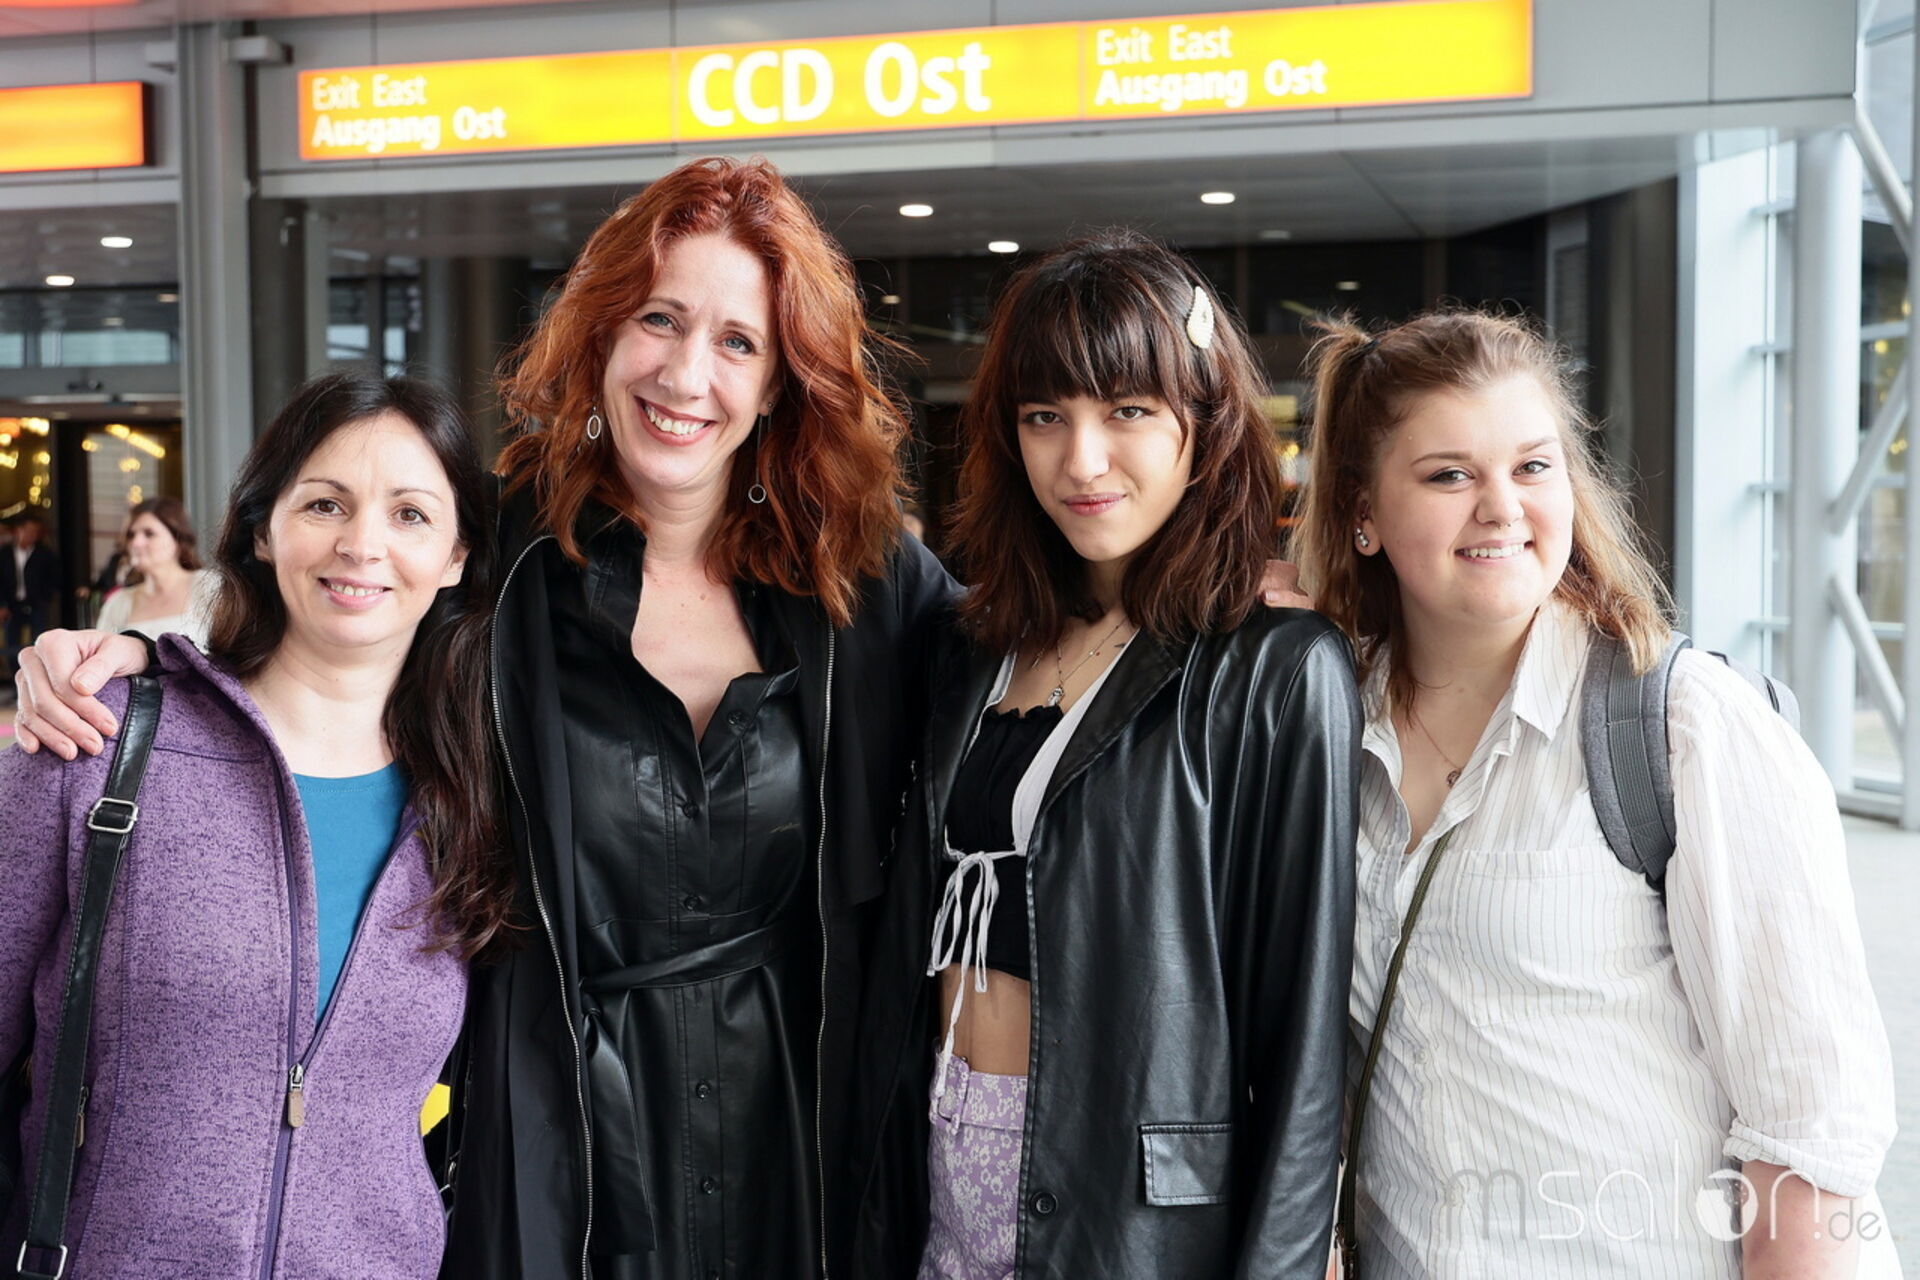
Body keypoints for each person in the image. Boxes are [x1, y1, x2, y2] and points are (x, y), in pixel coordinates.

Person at [1291, 312, 1896, 1278]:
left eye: (1533, 467)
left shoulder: (1683, 726)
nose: (1501, 508)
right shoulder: (1323, 732)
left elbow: (1811, 1136)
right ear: (1363, 512)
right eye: (1449, 476)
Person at [847, 232, 1358, 1279]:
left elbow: (1303, 1050)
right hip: (941, 1172)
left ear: (1204, 423)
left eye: (1127, 410)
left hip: (1130, 1216)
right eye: (1045, 416)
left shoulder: (1275, 668)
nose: (1081, 460)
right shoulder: (969, 647)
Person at [0, 371, 510, 1276]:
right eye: (324, 504)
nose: (361, 545)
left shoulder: (475, 800)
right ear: (262, 530)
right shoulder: (97, 741)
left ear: (457, 556)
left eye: (410, 514)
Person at [94, 495, 217, 646]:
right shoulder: (118, 604)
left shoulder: (211, 587)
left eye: (149, 533)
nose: (136, 543)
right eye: (131, 535)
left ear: (177, 540)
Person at [1, 511, 61, 654]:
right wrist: (2, 604)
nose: (32, 535)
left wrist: (45, 597)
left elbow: (54, 578)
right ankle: (15, 667)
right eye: (28, 531)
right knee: (11, 643)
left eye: (35, 532)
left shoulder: (44, 554)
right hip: (12, 604)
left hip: (36, 604)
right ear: (18, 531)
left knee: (39, 642)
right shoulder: (4, 554)